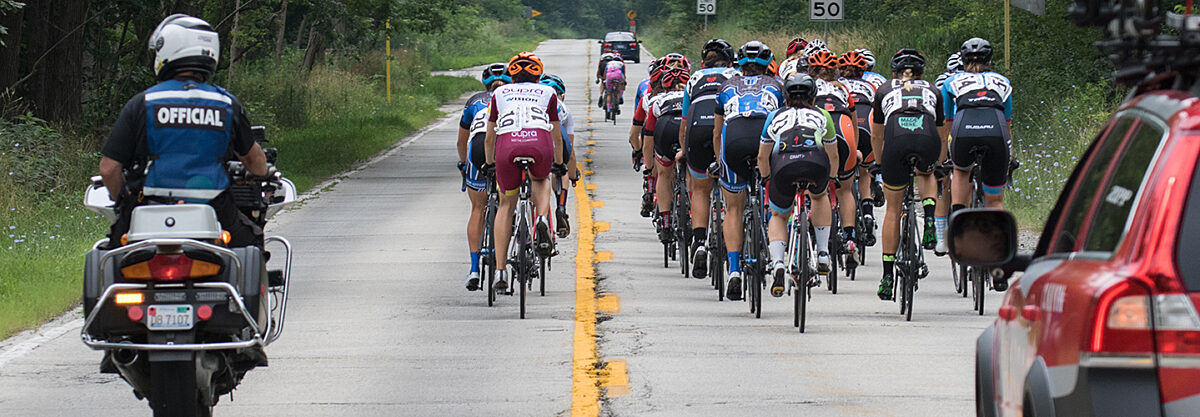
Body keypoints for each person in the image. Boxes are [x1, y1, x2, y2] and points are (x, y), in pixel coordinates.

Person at [99, 14, 269, 250]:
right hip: (215, 209)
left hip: (147, 208)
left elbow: (108, 169)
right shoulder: (226, 104)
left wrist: (121, 200)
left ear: (166, 51)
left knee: (115, 254)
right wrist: (261, 173)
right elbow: (255, 162)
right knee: (250, 245)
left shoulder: (143, 103)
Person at [870, 48, 948, 300]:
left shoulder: (883, 90)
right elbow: (942, 133)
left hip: (896, 139)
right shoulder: (934, 90)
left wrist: (880, 164)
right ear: (921, 72)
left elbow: (877, 135)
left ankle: (887, 276)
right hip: (927, 138)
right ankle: (928, 220)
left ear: (894, 72)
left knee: (893, 211)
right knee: (926, 173)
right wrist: (939, 162)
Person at [484, 52, 566, 293]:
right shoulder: (549, 93)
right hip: (538, 142)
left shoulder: (499, 93)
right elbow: (557, 136)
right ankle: (541, 218)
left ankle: (500, 271)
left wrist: (490, 164)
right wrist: (559, 164)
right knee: (541, 179)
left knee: (506, 205)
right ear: (538, 74)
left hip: (507, 145)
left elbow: (490, 136)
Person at [710, 40, 783, 300]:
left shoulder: (726, 86)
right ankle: (771, 241)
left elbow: (718, 132)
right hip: (765, 137)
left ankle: (734, 270)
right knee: (773, 200)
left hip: (735, 138)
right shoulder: (777, 86)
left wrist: (719, 160)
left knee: (734, 208)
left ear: (739, 64)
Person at [758, 73, 839, 297]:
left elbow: (762, 156)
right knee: (819, 196)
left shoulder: (774, 116)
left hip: (784, 166)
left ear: (785, 96)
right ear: (813, 97)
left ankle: (778, 263)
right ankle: (822, 253)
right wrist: (831, 178)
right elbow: (833, 155)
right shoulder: (823, 115)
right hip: (816, 163)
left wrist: (766, 178)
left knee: (778, 215)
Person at [942, 38, 1014, 290]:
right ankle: (999, 262)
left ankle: (959, 219)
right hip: (997, 133)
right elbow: (1008, 122)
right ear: (989, 61)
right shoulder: (1003, 82)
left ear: (962, 61)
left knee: (960, 169)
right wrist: (1009, 155)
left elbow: (948, 123)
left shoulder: (951, 82)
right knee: (995, 200)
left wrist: (945, 156)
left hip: (964, 130)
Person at [680, 38, 739, 279]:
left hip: (696, 128)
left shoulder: (693, 79)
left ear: (704, 61)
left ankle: (700, 242)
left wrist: (684, 151)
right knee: (733, 195)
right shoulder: (735, 76)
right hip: (723, 130)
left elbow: (684, 124)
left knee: (701, 189)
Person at [458, 62, 510, 291]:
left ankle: (474, 269)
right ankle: (504, 264)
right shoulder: (513, 96)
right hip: (503, 146)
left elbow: (462, 140)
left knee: (477, 209)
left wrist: (463, 163)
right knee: (509, 205)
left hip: (477, 147)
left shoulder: (473, 101)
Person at [807, 48, 859, 273]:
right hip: (844, 128)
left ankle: (810, 219)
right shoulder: (842, 88)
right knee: (845, 190)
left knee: (814, 185)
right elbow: (854, 121)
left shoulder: (805, 87)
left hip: (819, 127)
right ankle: (849, 239)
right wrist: (856, 149)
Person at [642, 67, 690, 243]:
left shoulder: (656, 99)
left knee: (664, 173)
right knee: (693, 169)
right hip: (687, 124)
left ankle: (666, 220)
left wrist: (649, 169)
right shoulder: (692, 96)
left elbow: (648, 140)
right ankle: (692, 212)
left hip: (666, 124)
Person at [838, 49, 880, 247]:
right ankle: (869, 213)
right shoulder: (870, 85)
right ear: (862, 71)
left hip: (846, 126)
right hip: (868, 124)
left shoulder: (838, 86)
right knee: (865, 175)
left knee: (843, 180)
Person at [540, 74, 580, 238]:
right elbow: (569, 150)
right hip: (558, 137)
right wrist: (572, 173)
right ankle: (561, 206)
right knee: (560, 167)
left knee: (535, 178)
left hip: (534, 138)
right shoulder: (563, 107)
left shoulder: (532, 101)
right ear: (561, 94)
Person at [932, 52, 963, 256]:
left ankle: (941, 238)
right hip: (984, 132)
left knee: (943, 181)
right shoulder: (989, 81)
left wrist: (941, 159)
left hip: (952, 132)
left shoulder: (944, 82)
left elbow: (943, 122)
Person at [632, 59, 666, 218]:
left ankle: (650, 188)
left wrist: (638, 152)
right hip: (677, 132)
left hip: (652, 131)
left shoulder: (647, 98)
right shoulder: (685, 95)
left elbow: (634, 133)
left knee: (651, 161)